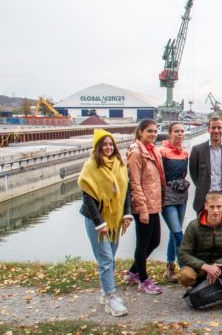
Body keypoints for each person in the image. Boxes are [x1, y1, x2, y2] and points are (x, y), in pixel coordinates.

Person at [78, 129, 132, 317]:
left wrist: (127, 214)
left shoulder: (120, 164)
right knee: (106, 259)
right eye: (104, 145)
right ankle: (111, 298)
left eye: (111, 144)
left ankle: (104, 291)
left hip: (115, 220)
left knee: (109, 258)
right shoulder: (90, 166)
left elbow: (126, 190)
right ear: (97, 147)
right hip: (97, 221)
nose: (108, 147)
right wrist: (99, 223)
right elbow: (88, 198)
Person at [123, 119, 165, 295]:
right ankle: (143, 280)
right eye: (149, 131)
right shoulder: (136, 152)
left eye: (155, 131)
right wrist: (142, 208)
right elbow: (135, 182)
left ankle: (132, 272)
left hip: (154, 203)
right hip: (144, 204)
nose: (153, 134)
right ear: (140, 132)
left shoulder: (152, 150)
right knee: (143, 244)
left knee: (154, 241)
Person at [178, 191, 222, 291]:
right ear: (206, 206)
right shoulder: (193, 225)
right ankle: (196, 286)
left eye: (218, 206)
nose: (215, 210)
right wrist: (204, 266)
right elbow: (183, 253)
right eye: (212, 207)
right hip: (200, 266)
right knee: (185, 276)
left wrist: (216, 265)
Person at [189, 116, 222, 214]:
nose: (216, 130)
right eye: (213, 127)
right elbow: (194, 174)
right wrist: (202, 186)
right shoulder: (197, 150)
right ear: (208, 129)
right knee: (202, 228)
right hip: (204, 199)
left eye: (219, 128)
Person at [160, 122, 189, 282]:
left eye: (182, 131)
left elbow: (184, 174)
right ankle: (186, 271)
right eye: (176, 131)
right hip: (168, 198)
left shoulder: (185, 152)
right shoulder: (162, 151)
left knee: (174, 232)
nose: (180, 134)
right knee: (179, 235)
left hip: (182, 196)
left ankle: (169, 268)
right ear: (170, 133)